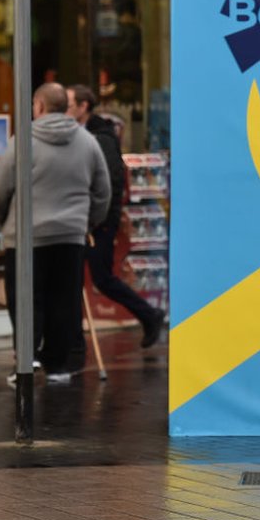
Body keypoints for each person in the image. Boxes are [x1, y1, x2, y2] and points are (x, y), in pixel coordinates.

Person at [0, 83, 111, 384]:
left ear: (39, 106)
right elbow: (102, 190)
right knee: (64, 300)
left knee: (25, 299)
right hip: (70, 236)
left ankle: (26, 362)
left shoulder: (23, 142)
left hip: (27, 236)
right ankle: (57, 366)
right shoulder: (87, 141)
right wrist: (88, 221)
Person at [67, 84, 165, 347]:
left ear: (83, 106)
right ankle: (74, 341)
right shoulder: (85, 134)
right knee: (82, 279)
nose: (65, 110)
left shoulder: (101, 138)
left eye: (68, 104)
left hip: (98, 223)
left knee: (102, 278)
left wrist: (101, 221)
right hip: (89, 220)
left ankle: (150, 314)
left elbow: (109, 181)